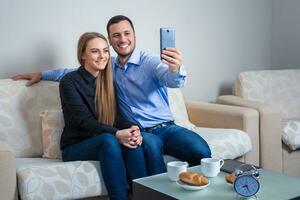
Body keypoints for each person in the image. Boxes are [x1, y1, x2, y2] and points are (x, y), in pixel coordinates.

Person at [12, 15, 211, 175]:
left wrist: (175, 69)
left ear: (134, 35)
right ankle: (155, 193)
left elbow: (171, 80)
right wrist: (42, 74)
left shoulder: (149, 62)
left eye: (126, 33)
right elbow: (73, 71)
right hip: (138, 131)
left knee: (202, 152)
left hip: (167, 128)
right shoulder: (108, 66)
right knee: (149, 146)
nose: (122, 39)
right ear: (110, 40)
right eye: (116, 35)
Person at [58, 32, 147, 200]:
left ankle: (142, 196)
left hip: (104, 140)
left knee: (133, 142)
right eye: (95, 51)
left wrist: (133, 129)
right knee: (108, 140)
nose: (102, 56)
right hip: (75, 146)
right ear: (83, 55)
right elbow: (84, 121)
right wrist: (116, 133)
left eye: (106, 51)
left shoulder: (107, 81)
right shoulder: (69, 82)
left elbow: (118, 118)